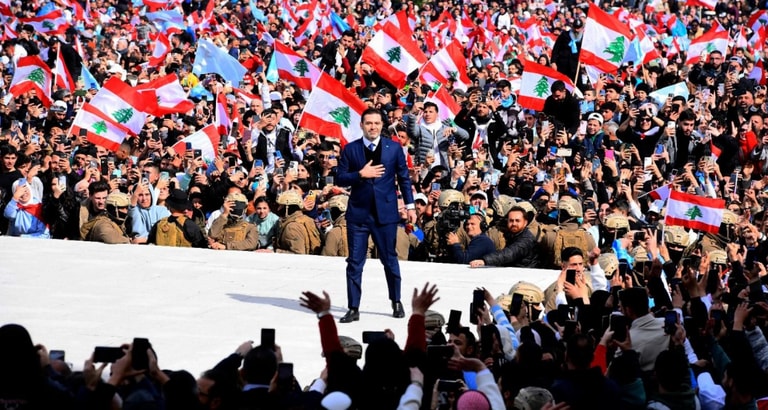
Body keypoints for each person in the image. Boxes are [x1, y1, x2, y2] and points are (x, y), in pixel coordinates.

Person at [336, 108, 416, 323]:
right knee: (355, 262)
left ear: (382, 125)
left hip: (385, 214)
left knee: (389, 259)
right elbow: (340, 178)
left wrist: (410, 206)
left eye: (377, 123)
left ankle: (396, 300)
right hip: (359, 214)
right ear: (361, 125)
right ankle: (353, 307)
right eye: (369, 123)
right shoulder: (350, 149)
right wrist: (360, 174)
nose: (373, 127)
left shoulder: (394, 148)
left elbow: (404, 178)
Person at [470, 206, 540, 268]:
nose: (514, 223)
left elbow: (510, 253)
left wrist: (484, 261)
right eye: (511, 221)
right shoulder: (512, 234)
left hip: (525, 273)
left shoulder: (527, 239)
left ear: (525, 223)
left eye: (517, 221)